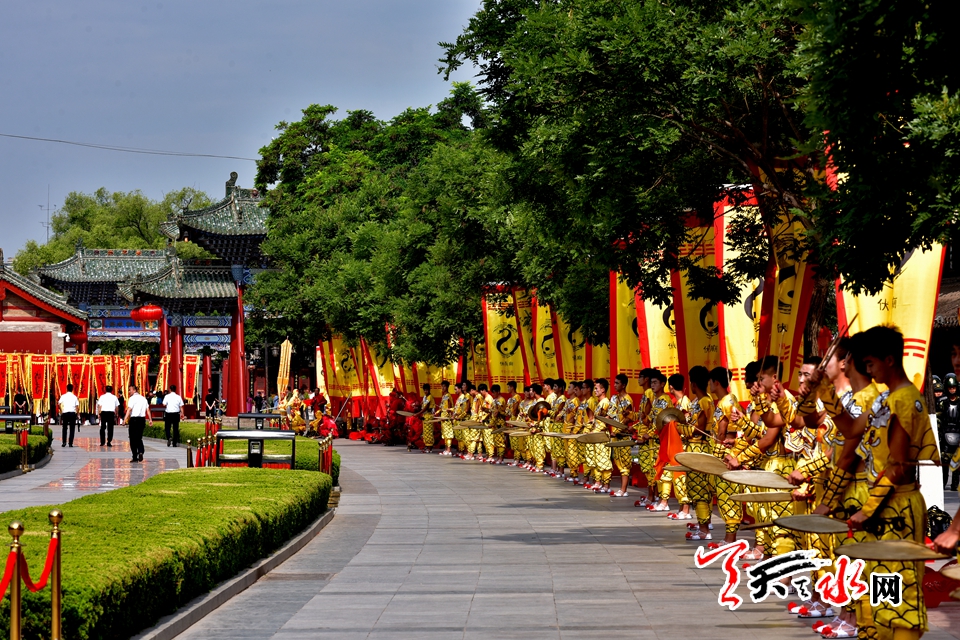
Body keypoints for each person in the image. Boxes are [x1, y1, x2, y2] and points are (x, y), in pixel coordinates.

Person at [846, 325, 940, 640]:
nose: (868, 370)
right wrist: (820, 395)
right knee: (883, 594)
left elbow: (898, 466)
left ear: (889, 359)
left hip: (897, 506)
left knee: (901, 595)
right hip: (884, 506)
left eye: (870, 363)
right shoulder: (886, 399)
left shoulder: (904, 400)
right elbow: (851, 431)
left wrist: (867, 509)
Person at [937, 373, 960, 490]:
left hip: (958, 434)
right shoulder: (942, 402)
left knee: (957, 461)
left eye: (954, 387)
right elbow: (938, 418)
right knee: (945, 461)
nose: (952, 390)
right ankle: (943, 482)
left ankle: (955, 484)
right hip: (945, 434)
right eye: (950, 388)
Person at [125, 384, 152, 463]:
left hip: (134, 420)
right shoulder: (143, 398)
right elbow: (148, 410)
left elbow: (129, 409)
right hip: (142, 420)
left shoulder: (132, 398)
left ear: (134, 390)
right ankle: (140, 451)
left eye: (130, 390)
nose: (129, 392)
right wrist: (150, 420)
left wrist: (125, 419)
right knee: (139, 437)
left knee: (132, 438)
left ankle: (134, 457)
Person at [58, 383, 80, 447]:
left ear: (66, 389)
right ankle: (70, 443)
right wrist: (77, 414)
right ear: (72, 389)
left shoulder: (63, 396)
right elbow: (77, 407)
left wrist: (61, 411)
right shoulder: (75, 397)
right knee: (72, 428)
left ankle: (64, 442)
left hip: (65, 413)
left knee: (64, 428)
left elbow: (59, 403)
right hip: (72, 413)